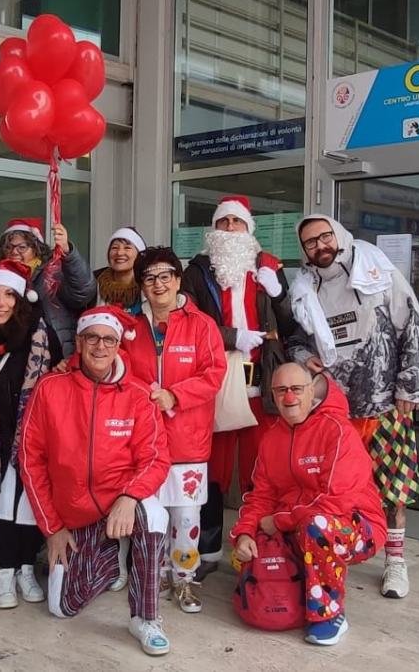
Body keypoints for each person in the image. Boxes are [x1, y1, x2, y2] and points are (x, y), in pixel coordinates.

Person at [288, 214, 419, 599]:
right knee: (334, 486)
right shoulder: (305, 289)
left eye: (324, 237)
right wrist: (305, 356)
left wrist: (408, 388)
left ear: (339, 235)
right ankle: (336, 555)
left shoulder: (379, 273)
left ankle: (395, 564)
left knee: (392, 486)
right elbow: (295, 341)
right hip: (334, 413)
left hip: (384, 405)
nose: (320, 246)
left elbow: (414, 328)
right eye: (310, 243)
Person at [20, 305, 173, 656]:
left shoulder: (137, 395)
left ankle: (146, 617)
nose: (100, 346)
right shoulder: (50, 388)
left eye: (109, 339)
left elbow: (155, 457)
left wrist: (130, 497)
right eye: (92, 337)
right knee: (62, 607)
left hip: (120, 502)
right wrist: (52, 528)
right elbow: (31, 461)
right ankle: (109, 555)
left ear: (119, 345)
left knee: (153, 515)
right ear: (78, 341)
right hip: (73, 516)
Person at [230, 362, 387, 646]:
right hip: (296, 522)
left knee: (318, 526)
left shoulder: (338, 431)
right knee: (260, 540)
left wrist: (278, 521)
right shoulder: (271, 439)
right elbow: (260, 495)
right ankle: (295, 587)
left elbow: (336, 502)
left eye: (296, 389)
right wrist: (245, 532)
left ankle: (329, 613)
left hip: (355, 525)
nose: (289, 397)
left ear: (312, 391)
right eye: (280, 390)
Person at [181, 195, 295, 580]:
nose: (230, 229)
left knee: (259, 471)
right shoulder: (197, 270)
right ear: (213, 229)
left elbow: (291, 323)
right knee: (212, 471)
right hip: (216, 380)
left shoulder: (269, 268)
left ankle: (256, 548)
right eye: (224, 222)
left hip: (261, 381)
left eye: (237, 223)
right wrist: (232, 336)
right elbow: (190, 319)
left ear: (250, 230)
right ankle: (208, 548)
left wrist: (277, 294)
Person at [122, 246, 225, 613]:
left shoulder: (202, 325)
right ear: (141, 286)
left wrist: (174, 396)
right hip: (146, 441)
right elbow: (120, 372)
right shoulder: (130, 328)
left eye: (166, 275)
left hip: (188, 442)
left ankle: (185, 578)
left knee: (186, 517)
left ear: (178, 280)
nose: (158, 283)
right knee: (153, 515)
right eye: (149, 278)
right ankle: (159, 573)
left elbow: (213, 375)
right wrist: (144, 395)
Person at [0, 259, 62, 608]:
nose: (0, 303)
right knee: (3, 506)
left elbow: (58, 380)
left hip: (33, 433)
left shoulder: (40, 333)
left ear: (21, 298)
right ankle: (4, 573)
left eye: (8, 294)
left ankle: (25, 567)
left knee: (29, 506)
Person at [0, 217, 96, 357]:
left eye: (22, 247)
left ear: (36, 249)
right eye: (9, 247)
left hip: (56, 356)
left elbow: (84, 292)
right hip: (16, 356)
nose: (14, 252)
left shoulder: (52, 272)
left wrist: (67, 252)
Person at [91, 227, 147, 313]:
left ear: (140, 254)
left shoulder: (150, 284)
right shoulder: (93, 282)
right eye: (115, 248)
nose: (119, 253)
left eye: (127, 248)